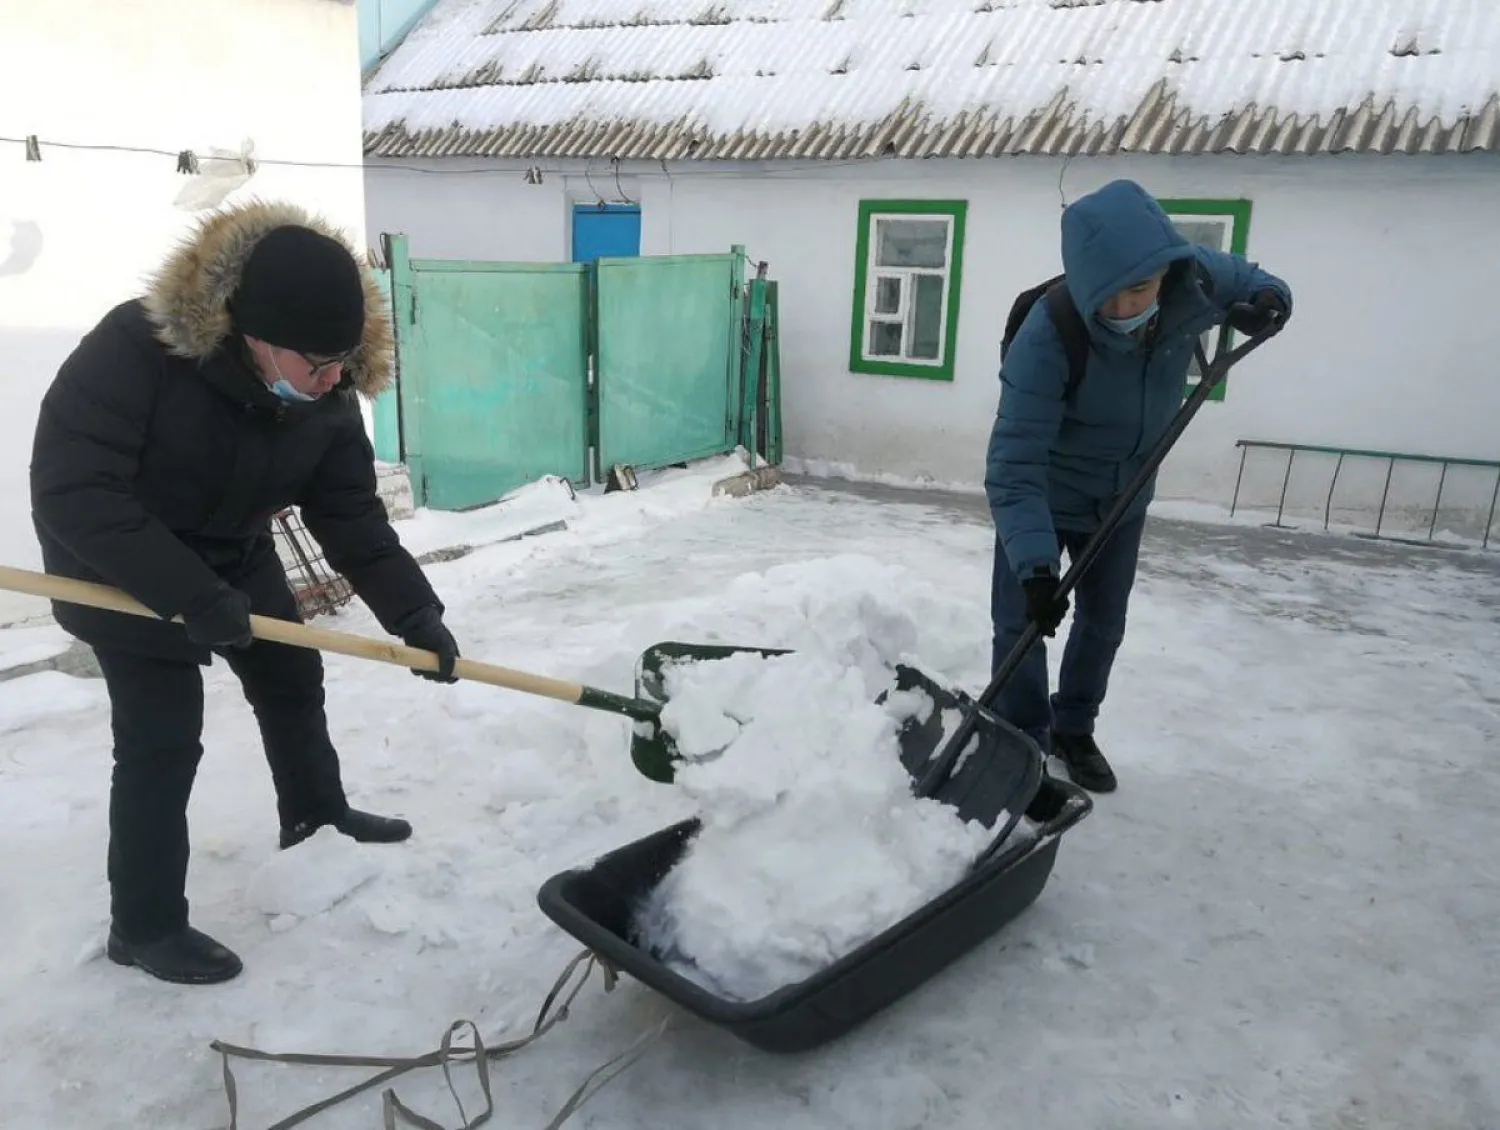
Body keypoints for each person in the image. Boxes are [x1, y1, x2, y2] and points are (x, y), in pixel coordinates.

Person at [28, 200, 463, 985]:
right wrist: (189, 593)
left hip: (230, 548)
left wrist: (415, 613)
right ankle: (146, 925)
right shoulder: (135, 349)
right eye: (316, 364)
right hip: (118, 565)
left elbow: (350, 516)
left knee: (291, 677)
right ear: (253, 335)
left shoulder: (326, 393)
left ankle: (316, 818)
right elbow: (75, 491)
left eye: (343, 363)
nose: (334, 381)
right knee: (163, 738)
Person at [984, 179, 1291, 793]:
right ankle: (1020, 737)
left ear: (1164, 274)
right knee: (1020, 624)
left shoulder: (1192, 277)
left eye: (1141, 290)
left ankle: (1073, 727)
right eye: (1110, 296)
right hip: (1045, 496)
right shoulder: (1046, 337)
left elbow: (1260, 280)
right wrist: (1037, 569)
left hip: (1124, 502)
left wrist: (1269, 301)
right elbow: (1013, 466)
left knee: (1103, 624)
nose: (1126, 307)